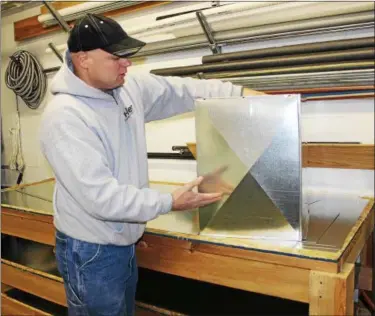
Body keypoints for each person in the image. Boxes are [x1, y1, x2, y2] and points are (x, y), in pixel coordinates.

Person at [39, 13, 263, 316]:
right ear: (83, 59)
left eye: (126, 56)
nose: (126, 64)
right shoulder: (65, 116)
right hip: (90, 252)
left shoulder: (126, 88)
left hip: (123, 242)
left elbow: (182, 91)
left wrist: (240, 94)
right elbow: (100, 198)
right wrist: (169, 201)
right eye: (115, 57)